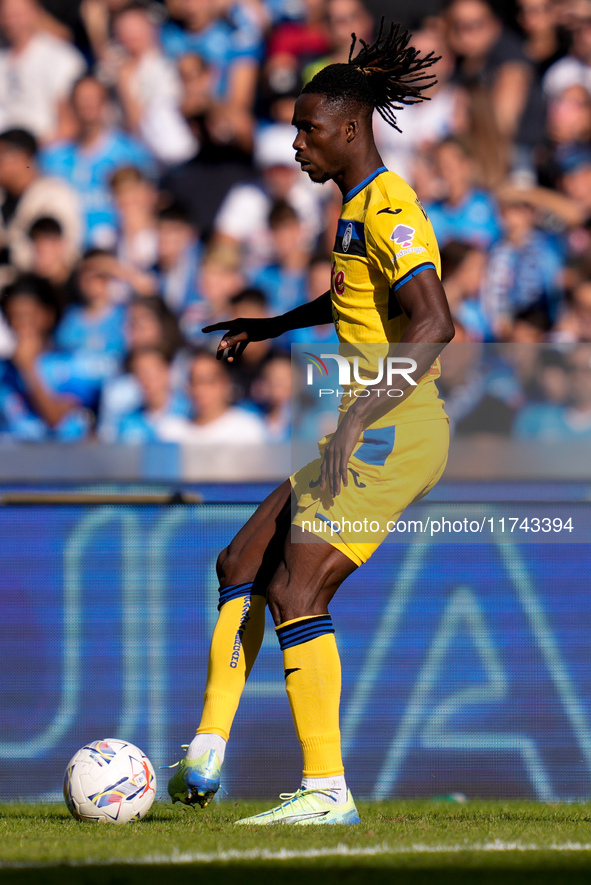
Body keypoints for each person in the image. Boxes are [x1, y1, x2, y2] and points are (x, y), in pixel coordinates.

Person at [167, 21, 454, 825]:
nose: (296, 142)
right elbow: (354, 299)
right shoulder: (357, 208)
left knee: (297, 586)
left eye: (308, 127)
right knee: (242, 559)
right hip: (365, 426)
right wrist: (270, 327)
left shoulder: (391, 203)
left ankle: (326, 788)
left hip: (394, 429)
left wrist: (362, 412)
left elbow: (433, 323)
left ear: (350, 127)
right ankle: (208, 749)